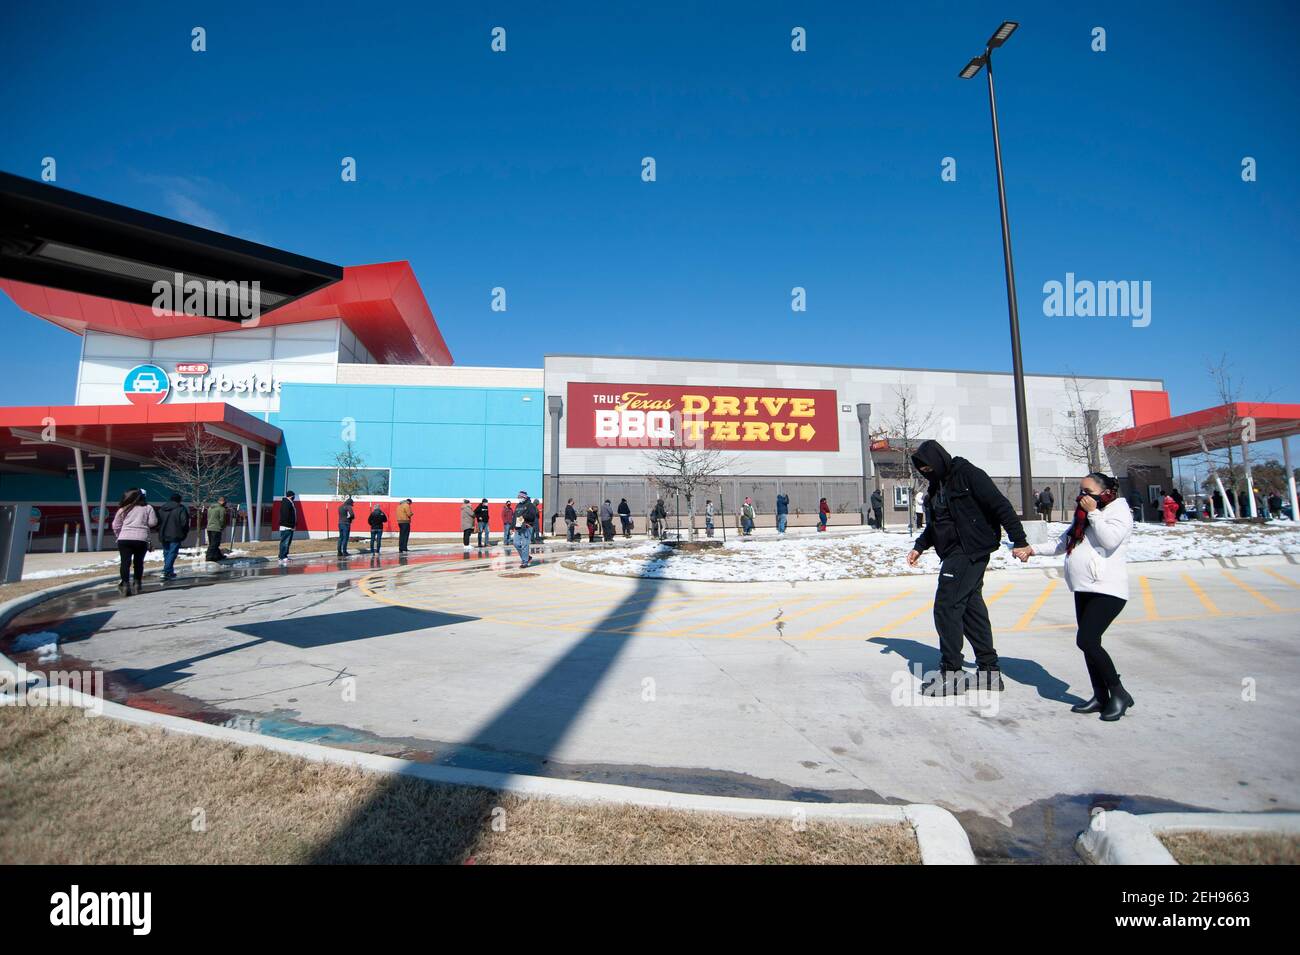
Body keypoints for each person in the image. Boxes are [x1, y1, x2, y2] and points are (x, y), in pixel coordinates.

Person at [905, 440, 1028, 696]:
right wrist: (920, 546)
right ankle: (989, 672)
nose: (927, 473)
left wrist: (1019, 540)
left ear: (939, 459)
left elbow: (1000, 505)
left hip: (969, 550)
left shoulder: (968, 474)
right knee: (971, 609)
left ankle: (952, 673)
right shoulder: (937, 485)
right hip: (953, 552)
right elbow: (937, 523)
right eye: (922, 470)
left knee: (946, 607)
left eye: (929, 467)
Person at [1018, 472, 1136, 721]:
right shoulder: (1083, 518)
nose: (1082, 497)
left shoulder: (1118, 511)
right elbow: (1064, 542)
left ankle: (1118, 692)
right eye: (1080, 491)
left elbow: (1110, 540)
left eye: (1088, 492)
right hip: (1084, 588)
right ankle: (1100, 696)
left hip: (1107, 589)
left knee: (1087, 641)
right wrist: (1032, 549)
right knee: (1089, 646)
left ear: (1105, 492)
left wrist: (1094, 512)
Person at [111, 488, 157, 596]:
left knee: (125, 563)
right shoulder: (147, 508)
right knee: (138, 562)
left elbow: (115, 525)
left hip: (124, 539)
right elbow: (153, 522)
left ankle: (125, 584)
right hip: (141, 539)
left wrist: (119, 535)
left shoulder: (123, 509)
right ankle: (137, 583)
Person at [156, 493, 189, 581]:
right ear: (179, 500)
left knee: (166, 552)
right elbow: (184, 522)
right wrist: (184, 532)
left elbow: (157, 521)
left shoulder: (162, 509)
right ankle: (166, 570)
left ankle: (169, 570)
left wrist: (159, 530)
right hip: (175, 533)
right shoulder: (181, 508)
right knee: (172, 552)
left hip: (163, 533)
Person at [512, 490, 537, 567]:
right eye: (518, 497)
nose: (519, 498)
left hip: (527, 527)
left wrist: (524, 516)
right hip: (518, 527)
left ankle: (525, 562)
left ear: (524, 497)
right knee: (516, 543)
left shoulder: (530, 505)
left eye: (520, 497)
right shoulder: (518, 505)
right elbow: (514, 517)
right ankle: (527, 557)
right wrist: (511, 527)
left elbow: (533, 516)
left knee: (525, 545)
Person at [206, 496, 229, 561]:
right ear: (223, 502)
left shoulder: (210, 508)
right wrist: (222, 527)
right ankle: (209, 557)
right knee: (215, 544)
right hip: (216, 528)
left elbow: (208, 517)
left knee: (212, 543)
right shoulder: (222, 509)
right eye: (225, 502)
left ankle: (218, 556)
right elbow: (222, 520)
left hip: (209, 527)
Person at [277, 490, 297, 562]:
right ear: (291, 496)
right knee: (285, 542)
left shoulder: (289, 502)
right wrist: (291, 525)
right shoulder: (286, 503)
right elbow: (285, 515)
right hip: (286, 526)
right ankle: (282, 557)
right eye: (293, 496)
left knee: (287, 542)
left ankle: (284, 556)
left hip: (289, 526)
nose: (294, 497)